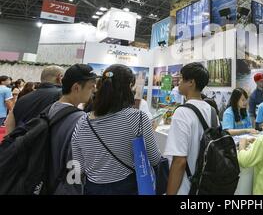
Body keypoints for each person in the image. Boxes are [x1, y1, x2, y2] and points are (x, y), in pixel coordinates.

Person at [71, 64, 161, 195]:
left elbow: (78, 165)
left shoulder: (82, 121)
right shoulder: (137, 118)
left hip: (93, 188)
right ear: (129, 87)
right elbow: (154, 159)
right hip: (128, 187)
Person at [165, 62, 218, 195]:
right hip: (206, 184)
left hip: (186, 187)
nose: (179, 82)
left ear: (191, 83)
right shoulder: (212, 111)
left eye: (182, 79)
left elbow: (179, 162)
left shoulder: (182, 112)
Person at [48, 64, 97, 194]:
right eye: (91, 86)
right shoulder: (82, 120)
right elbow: (75, 165)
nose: (94, 90)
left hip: (46, 182)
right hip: (65, 187)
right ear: (76, 88)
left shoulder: (50, 109)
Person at [5, 66, 64, 134]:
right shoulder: (63, 96)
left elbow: (10, 124)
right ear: (60, 77)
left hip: (20, 141)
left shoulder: (22, 99)